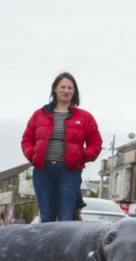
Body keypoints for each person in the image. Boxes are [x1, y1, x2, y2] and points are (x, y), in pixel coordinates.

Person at [21, 72, 103, 222]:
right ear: (55, 89)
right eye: (63, 87)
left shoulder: (85, 117)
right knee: (46, 218)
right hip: (42, 172)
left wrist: (81, 156)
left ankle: (64, 246)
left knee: (66, 217)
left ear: (74, 91)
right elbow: (26, 139)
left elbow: (96, 144)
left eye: (70, 88)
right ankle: (47, 246)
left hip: (69, 173)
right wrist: (32, 154)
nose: (66, 91)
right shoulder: (39, 115)